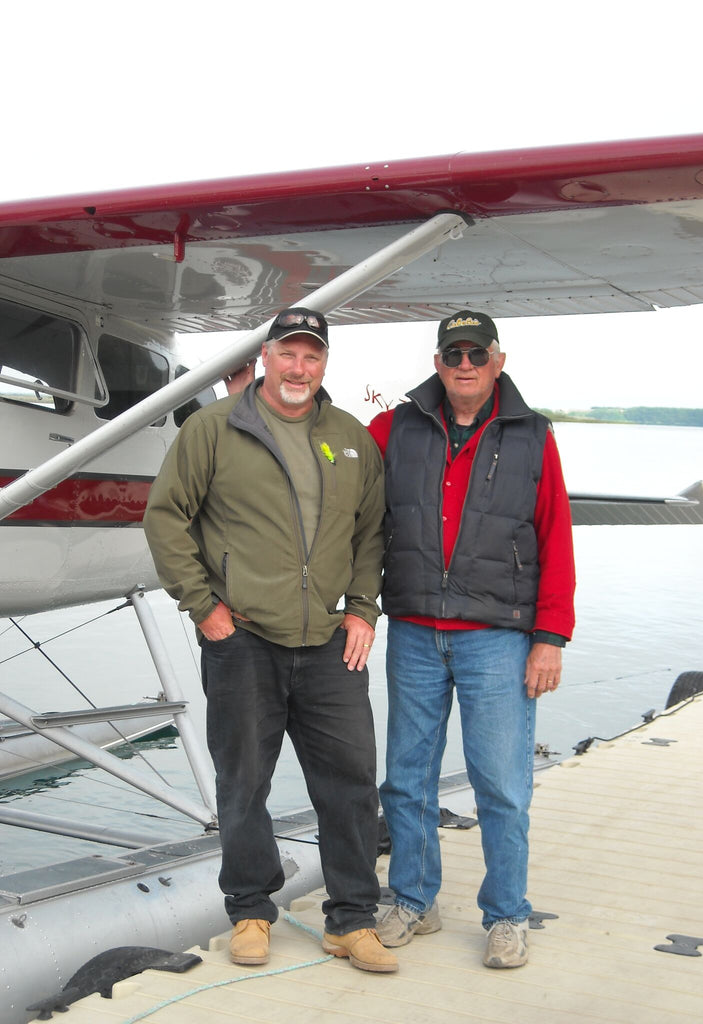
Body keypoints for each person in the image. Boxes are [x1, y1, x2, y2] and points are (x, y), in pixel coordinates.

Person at [143, 308, 397, 974]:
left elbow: (372, 533)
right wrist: (204, 607)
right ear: (267, 357)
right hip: (243, 639)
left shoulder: (350, 438)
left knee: (350, 785)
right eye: (288, 353)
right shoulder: (213, 429)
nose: (298, 368)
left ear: (323, 364)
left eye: (312, 356)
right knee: (243, 781)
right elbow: (166, 517)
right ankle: (251, 909)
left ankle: (351, 920)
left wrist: (364, 609)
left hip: (330, 644)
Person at [368, 310, 575, 969]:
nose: (465, 363)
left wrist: (552, 637)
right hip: (415, 631)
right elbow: (326, 452)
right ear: (437, 363)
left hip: (499, 639)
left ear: (498, 362)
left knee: (502, 784)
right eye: (453, 353)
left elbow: (557, 538)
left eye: (477, 354)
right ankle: (412, 899)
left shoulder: (533, 436)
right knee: (405, 778)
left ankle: (507, 915)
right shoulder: (393, 427)